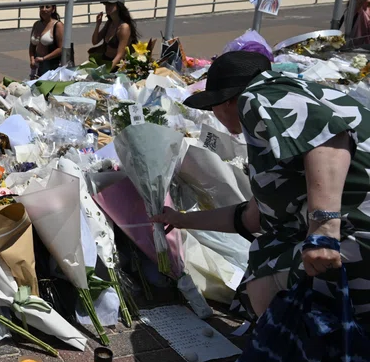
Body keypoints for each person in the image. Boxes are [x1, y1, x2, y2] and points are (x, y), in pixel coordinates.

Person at [157, 51, 369, 327]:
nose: (215, 116)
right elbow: (252, 217)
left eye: (213, 107)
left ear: (228, 100)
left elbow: (327, 137)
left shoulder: (257, 96)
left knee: (266, 272)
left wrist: (323, 232)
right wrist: (182, 220)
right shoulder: (296, 96)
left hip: (357, 239)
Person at [89, 0, 137, 67]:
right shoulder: (110, 23)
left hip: (116, 65)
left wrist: (107, 71)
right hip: (105, 60)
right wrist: (98, 24)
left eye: (110, 4)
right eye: (106, 4)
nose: (107, 7)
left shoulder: (124, 27)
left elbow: (120, 55)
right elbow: (95, 41)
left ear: (118, 6)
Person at [28, 0, 64, 78]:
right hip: (37, 65)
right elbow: (32, 45)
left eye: (47, 7)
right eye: (41, 7)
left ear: (53, 9)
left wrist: (44, 58)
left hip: (51, 65)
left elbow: (61, 48)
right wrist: (32, 59)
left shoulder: (58, 25)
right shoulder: (37, 24)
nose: (44, 9)